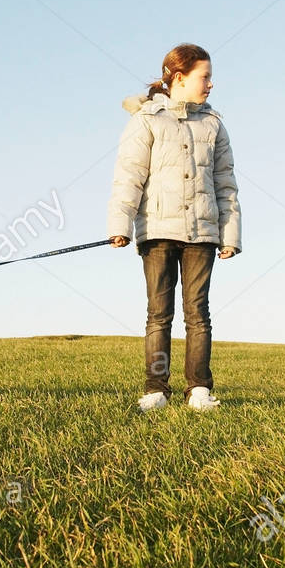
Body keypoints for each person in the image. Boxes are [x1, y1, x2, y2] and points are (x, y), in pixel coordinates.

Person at [106, 43, 242, 412]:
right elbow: (129, 176)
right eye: (205, 77)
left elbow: (225, 183)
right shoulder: (146, 120)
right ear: (179, 78)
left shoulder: (214, 124)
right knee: (158, 314)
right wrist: (120, 224)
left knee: (198, 313)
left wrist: (229, 235)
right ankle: (156, 390)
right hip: (158, 231)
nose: (211, 84)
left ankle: (199, 389)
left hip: (203, 233)